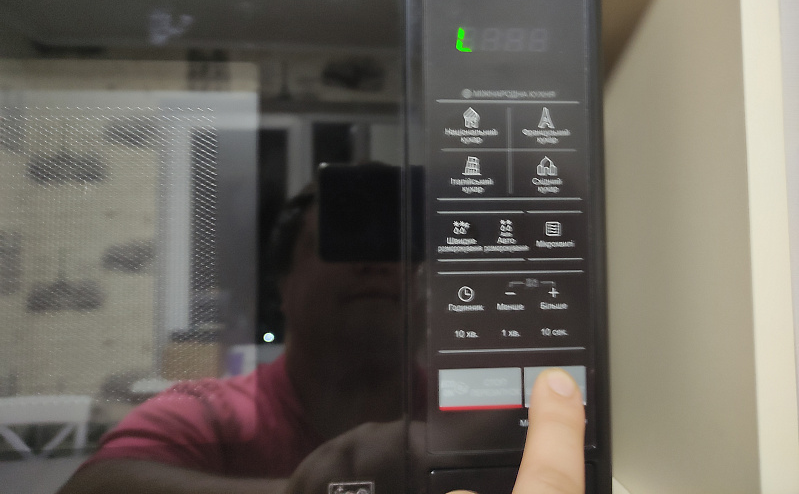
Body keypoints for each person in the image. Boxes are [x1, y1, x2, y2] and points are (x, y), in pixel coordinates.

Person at [57, 186, 586, 494]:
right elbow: (95, 487)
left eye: (397, 243)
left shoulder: (477, 410)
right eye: (343, 238)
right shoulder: (208, 411)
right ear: (283, 285)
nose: (375, 261)